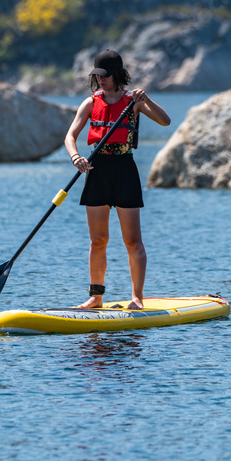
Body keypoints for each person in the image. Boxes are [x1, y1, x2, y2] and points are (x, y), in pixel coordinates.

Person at [64, 49, 171, 311]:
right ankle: (95, 297)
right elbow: (70, 137)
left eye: (105, 75)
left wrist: (148, 100)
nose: (100, 80)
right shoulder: (90, 103)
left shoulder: (132, 101)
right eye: (97, 75)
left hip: (124, 170)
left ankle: (137, 298)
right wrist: (76, 157)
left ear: (117, 75)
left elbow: (165, 121)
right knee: (97, 241)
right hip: (97, 170)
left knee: (132, 241)